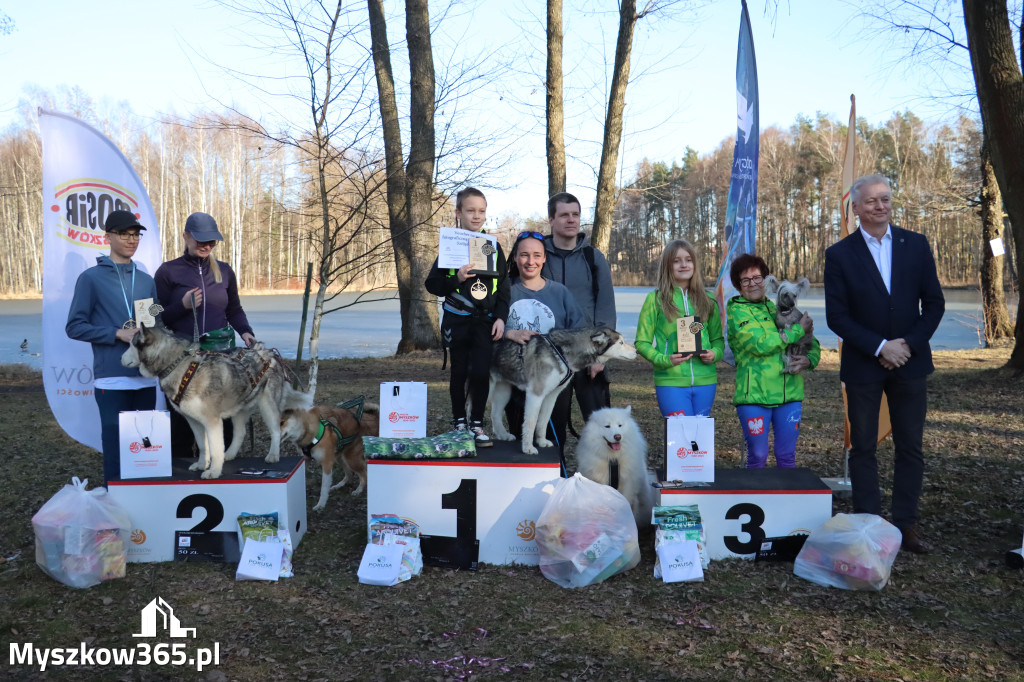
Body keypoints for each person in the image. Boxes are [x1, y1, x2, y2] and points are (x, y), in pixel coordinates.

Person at [824, 173, 945, 554]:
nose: (880, 206)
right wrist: (880, 347)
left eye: (886, 199)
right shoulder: (839, 254)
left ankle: (905, 526)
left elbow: (934, 304)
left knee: (911, 447)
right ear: (855, 208)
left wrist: (906, 344)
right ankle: (869, 526)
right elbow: (837, 317)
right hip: (863, 365)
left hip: (910, 362)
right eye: (872, 201)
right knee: (862, 448)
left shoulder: (916, 245)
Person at [66, 210, 160, 482]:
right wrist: (116, 333)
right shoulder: (91, 278)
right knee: (117, 452)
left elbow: (153, 322)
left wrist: (155, 329)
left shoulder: (145, 279)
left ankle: (144, 513)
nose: (131, 240)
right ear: (108, 237)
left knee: (145, 452)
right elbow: (74, 326)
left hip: (144, 378)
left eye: (135, 235)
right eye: (124, 234)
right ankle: (114, 514)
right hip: (112, 380)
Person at [155, 212, 256, 457]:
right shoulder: (168, 272)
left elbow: (234, 309)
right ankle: (181, 469)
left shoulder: (224, 271)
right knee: (183, 420)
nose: (207, 245)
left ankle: (225, 470)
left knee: (224, 416)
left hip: (222, 358)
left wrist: (246, 332)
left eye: (211, 240)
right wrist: (182, 306)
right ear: (186, 237)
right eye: (201, 240)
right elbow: (154, 317)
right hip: (183, 362)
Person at [424, 188, 509, 445]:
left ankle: (477, 425)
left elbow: (504, 288)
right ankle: (459, 423)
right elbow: (432, 285)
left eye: (481, 211)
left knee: (481, 373)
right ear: (458, 212)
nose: (476, 216)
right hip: (457, 322)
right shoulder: (450, 247)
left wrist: (501, 318)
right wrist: (456, 278)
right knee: (459, 373)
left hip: (485, 322)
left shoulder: (492, 247)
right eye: (470, 210)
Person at [727, 253, 820, 469]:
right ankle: (753, 502)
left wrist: (809, 360)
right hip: (755, 396)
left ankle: (786, 503)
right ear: (738, 285)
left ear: (766, 280)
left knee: (787, 456)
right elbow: (760, 344)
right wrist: (798, 330)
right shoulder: (737, 312)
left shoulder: (778, 306)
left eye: (757, 277)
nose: (753, 284)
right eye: (745, 280)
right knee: (758, 456)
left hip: (790, 395)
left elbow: (812, 343)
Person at [541, 192, 616, 443]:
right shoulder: (539, 256)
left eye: (575, 214)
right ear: (551, 219)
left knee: (602, 430)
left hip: (589, 355)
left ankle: (602, 482)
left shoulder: (593, 258)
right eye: (564, 215)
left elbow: (605, 307)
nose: (571, 220)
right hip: (551, 356)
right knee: (550, 430)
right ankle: (553, 479)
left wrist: (601, 354)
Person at [501, 232, 585, 446]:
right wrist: (510, 333)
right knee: (520, 440)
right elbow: (488, 327)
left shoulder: (560, 292)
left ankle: (557, 475)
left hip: (553, 379)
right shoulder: (504, 291)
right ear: (515, 257)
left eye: (537, 255)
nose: (531, 262)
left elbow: (578, 334)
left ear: (545, 258)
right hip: (516, 378)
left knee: (553, 439)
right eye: (524, 255)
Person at [635, 239, 723, 417]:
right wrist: (663, 359)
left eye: (688, 260)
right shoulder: (655, 300)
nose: (684, 265)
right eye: (676, 261)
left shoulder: (708, 299)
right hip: (671, 381)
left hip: (705, 381)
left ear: (695, 264)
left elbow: (718, 341)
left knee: (699, 440)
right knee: (680, 440)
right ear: (667, 266)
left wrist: (714, 354)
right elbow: (641, 342)